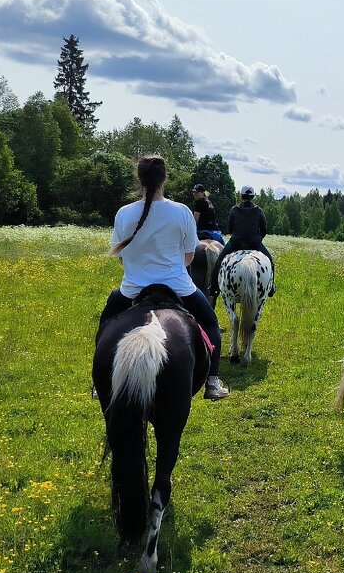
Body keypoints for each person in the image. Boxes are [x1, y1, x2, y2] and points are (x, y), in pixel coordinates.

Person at [98, 155, 229, 400]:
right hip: (178, 287)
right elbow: (189, 256)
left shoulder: (124, 213)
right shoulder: (181, 211)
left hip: (132, 289)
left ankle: (100, 382)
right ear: (164, 179)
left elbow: (122, 258)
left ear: (139, 178)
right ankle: (212, 382)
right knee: (211, 324)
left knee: (106, 322)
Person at [211, 185, 275, 296]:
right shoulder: (259, 211)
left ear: (241, 196)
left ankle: (214, 288)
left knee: (218, 262)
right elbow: (264, 229)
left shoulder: (234, 210)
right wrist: (257, 239)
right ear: (253, 197)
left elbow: (230, 228)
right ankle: (271, 287)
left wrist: (236, 236)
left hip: (235, 243)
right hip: (255, 244)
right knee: (270, 262)